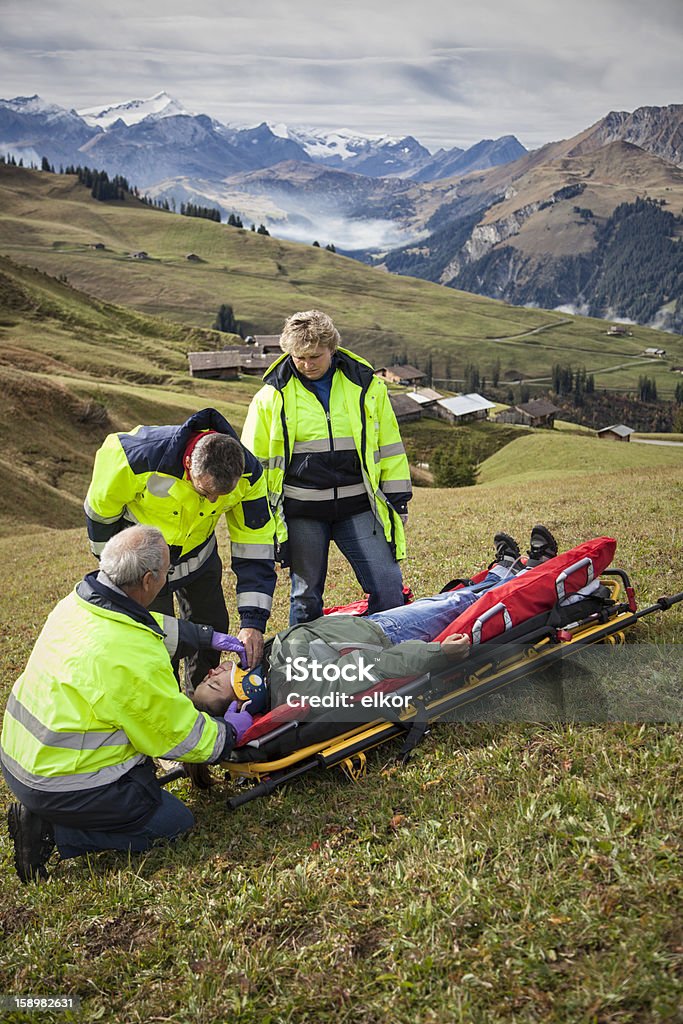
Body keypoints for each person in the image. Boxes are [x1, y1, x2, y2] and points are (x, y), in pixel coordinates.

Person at [1, 526, 254, 884]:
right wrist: (228, 734)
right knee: (173, 823)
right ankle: (53, 833)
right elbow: (177, 735)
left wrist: (203, 635)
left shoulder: (78, 602)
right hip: (61, 782)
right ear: (150, 579)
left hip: (21, 756)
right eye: (167, 572)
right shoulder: (132, 658)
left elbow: (141, 624)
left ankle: (55, 815)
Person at [191, 526, 565, 718]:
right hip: (387, 635)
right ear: (247, 694)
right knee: (459, 603)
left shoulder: (274, 669)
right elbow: (374, 666)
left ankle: (502, 568)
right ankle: (535, 567)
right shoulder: (300, 685)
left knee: (448, 599)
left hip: (376, 626)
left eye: (207, 679)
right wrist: (437, 653)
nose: (210, 675)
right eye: (214, 686)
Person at [241, 310, 411, 626]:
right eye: (299, 357)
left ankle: (387, 660)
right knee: (305, 600)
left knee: (389, 590)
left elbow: (389, 447)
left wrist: (398, 498)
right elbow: (254, 461)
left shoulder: (367, 387)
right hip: (302, 512)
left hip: (359, 507)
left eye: (315, 356)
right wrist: (259, 515)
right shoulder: (269, 398)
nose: (307, 364)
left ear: (332, 348)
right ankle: (305, 668)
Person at [84, 408, 278, 677]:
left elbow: (254, 542)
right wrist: (117, 575)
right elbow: (100, 515)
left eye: (221, 496)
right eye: (206, 492)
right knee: (153, 642)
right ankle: (164, 705)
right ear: (189, 466)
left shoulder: (250, 475)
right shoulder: (132, 457)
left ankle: (204, 702)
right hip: (143, 566)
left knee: (211, 628)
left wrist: (253, 620)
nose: (213, 502)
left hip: (199, 560)